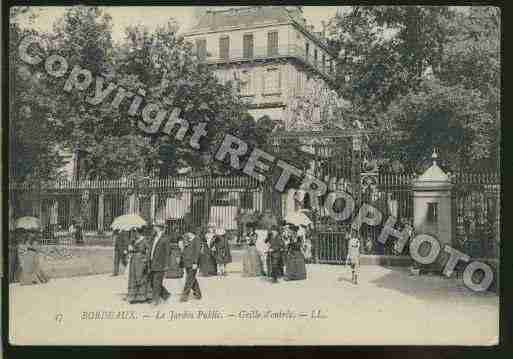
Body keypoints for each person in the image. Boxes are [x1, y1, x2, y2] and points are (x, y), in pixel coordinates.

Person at [127, 227, 152, 304]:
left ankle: (142, 296)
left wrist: (146, 259)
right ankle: (134, 296)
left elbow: (149, 250)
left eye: (136, 232)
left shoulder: (144, 240)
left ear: (139, 232)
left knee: (141, 277)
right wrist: (130, 249)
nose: (135, 234)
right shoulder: (134, 240)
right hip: (134, 260)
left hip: (141, 260)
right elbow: (131, 249)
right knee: (133, 277)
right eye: (134, 233)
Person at [148, 224, 171, 306]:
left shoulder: (165, 238)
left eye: (155, 227)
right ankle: (166, 295)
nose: (154, 228)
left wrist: (166, 265)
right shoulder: (154, 237)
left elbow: (168, 253)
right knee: (152, 282)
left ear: (159, 228)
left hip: (160, 264)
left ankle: (156, 300)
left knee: (156, 282)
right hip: (152, 262)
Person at [179, 232, 202, 302]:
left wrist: (195, 262)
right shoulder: (188, 239)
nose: (187, 234)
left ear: (192, 233)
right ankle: (198, 293)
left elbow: (197, 251)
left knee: (189, 279)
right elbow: (184, 251)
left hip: (193, 263)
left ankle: (184, 296)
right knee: (192, 279)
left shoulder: (197, 239)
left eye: (188, 233)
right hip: (187, 262)